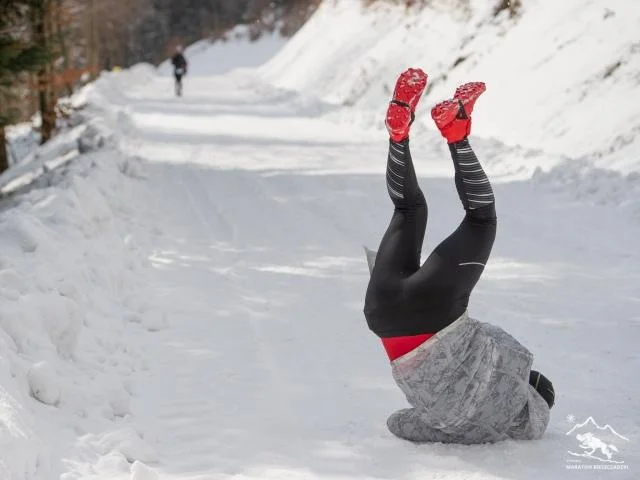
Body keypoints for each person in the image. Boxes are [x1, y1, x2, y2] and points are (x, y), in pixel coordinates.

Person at [363, 68, 554, 444]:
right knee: (406, 210)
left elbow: (499, 340)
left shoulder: (511, 367)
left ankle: (452, 134)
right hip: (383, 314)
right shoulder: (461, 428)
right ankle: (398, 134)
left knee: (479, 218)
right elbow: (397, 422)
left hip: (437, 315)